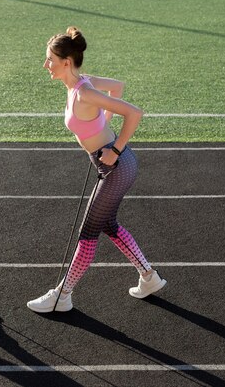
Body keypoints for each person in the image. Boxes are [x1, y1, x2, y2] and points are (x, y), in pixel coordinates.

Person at [27, 27, 166, 313]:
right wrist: (103, 122)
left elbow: (135, 112)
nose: (45, 65)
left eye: (50, 59)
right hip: (109, 166)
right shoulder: (80, 85)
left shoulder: (85, 93)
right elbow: (118, 85)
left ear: (66, 62)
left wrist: (114, 150)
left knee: (88, 233)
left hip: (118, 166)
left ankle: (61, 295)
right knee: (108, 225)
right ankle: (149, 278)